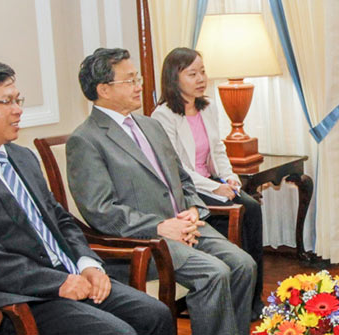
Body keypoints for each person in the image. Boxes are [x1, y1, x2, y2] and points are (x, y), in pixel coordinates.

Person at [0, 56, 174, 335]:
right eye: (6, 102)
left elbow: (60, 218)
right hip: (20, 296)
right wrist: (56, 282)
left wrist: (87, 263)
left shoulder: (21, 157)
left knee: (155, 314)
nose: (18, 110)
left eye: (18, 100)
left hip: (69, 273)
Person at [66, 47, 256, 335]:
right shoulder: (86, 140)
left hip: (185, 226)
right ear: (104, 89)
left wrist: (193, 209)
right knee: (213, 273)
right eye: (129, 80)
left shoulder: (149, 125)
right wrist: (161, 226)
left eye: (137, 78)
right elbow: (101, 211)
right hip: (145, 241)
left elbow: (183, 178)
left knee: (243, 264)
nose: (139, 85)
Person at [151, 47, 264, 317]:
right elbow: (179, 169)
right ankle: (233, 297)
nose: (201, 78)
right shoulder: (163, 116)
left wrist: (230, 178)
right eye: (192, 73)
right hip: (190, 187)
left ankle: (253, 298)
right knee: (238, 211)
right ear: (173, 78)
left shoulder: (208, 106)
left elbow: (218, 148)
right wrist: (216, 187)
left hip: (212, 179)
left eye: (202, 71)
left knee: (253, 208)